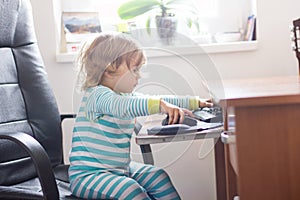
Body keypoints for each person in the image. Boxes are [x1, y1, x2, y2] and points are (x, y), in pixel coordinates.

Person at [69, 32, 212, 200]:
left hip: (120, 169)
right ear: (109, 69)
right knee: (130, 190)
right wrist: (161, 106)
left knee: (158, 176)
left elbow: (159, 100)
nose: (139, 76)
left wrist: (196, 102)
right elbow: (123, 107)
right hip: (88, 176)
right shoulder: (97, 96)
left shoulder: (125, 95)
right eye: (135, 70)